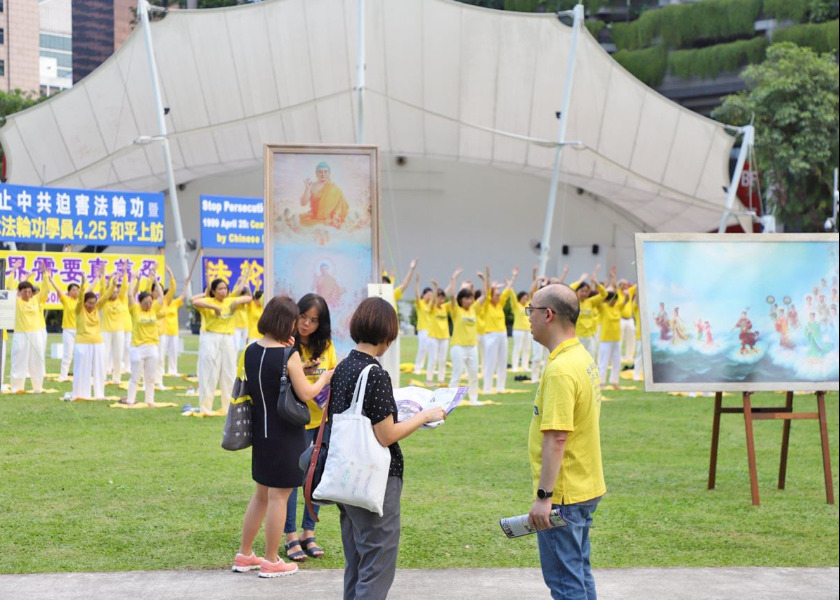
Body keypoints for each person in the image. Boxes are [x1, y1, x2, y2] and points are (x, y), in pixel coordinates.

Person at [328, 297, 445, 599]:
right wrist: (423, 416)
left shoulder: (343, 366)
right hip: (373, 478)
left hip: (345, 475)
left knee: (356, 561)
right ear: (387, 334)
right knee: (377, 562)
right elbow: (386, 435)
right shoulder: (375, 373)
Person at [232, 296, 333, 578]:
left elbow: (270, 379)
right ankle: (271, 559)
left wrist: (301, 370)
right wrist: (324, 377)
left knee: (261, 495)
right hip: (286, 435)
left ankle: (245, 554)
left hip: (261, 433)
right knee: (279, 497)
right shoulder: (289, 355)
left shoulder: (251, 351)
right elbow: (307, 394)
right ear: (285, 322)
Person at [526, 283, 605, 600]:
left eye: (531, 310)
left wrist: (544, 497)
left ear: (548, 314)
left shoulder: (561, 369)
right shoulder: (580, 356)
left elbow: (557, 437)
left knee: (565, 583)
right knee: (579, 574)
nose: (528, 317)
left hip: (564, 493)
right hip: (583, 484)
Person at [284, 293, 338, 562]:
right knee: (292, 480)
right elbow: (281, 379)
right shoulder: (288, 342)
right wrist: (302, 372)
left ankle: (309, 532)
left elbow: (333, 375)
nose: (306, 324)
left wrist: (326, 378)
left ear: (321, 323)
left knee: (316, 476)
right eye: (303, 317)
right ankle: (290, 535)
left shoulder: (326, 346)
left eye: (313, 320)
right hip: (295, 420)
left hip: (321, 420)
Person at [192, 267, 252, 415]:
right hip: (211, 338)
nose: (223, 291)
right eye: (220, 289)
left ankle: (229, 407)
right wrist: (214, 307)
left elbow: (248, 298)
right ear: (213, 291)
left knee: (229, 372)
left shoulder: (230, 300)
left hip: (228, 338)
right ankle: (205, 408)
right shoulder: (208, 301)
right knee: (209, 374)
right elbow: (194, 301)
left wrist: (235, 303)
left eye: (225, 288)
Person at [122, 267, 167, 406]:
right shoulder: (135, 309)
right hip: (137, 347)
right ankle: (130, 400)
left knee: (150, 377)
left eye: (150, 302)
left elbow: (161, 297)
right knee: (135, 376)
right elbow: (130, 295)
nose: (148, 304)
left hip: (152, 346)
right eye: (145, 302)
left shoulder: (154, 309)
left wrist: (156, 281)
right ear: (140, 302)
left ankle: (150, 400)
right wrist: (132, 279)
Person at [72, 269, 114, 401]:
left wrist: (113, 284)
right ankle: (80, 393)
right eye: (89, 303)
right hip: (82, 343)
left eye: (93, 303)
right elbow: (80, 298)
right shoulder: (79, 310)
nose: (91, 305)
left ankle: (99, 394)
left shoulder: (96, 308)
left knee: (99, 370)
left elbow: (105, 297)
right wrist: (83, 283)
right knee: (81, 370)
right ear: (84, 302)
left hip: (98, 343)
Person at [9, 263, 48, 393]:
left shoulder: (36, 300)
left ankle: (38, 387)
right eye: (24, 291)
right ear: (19, 292)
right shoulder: (17, 301)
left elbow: (45, 289)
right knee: (19, 361)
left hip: (36, 334)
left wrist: (44, 274)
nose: (27, 293)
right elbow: (9, 288)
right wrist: (14, 270)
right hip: (21, 334)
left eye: (29, 291)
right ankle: (17, 388)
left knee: (36, 361)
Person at [477, 266, 516, 394]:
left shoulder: (500, 305)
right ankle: (487, 387)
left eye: (499, 295)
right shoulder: (487, 305)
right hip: (491, 335)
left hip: (502, 335)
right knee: (490, 362)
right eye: (496, 295)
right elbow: (487, 292)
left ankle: (500, 387)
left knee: (502, 362)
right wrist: (487, 277)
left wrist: (513, 277)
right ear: (492, 296)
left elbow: (507, 290)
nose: (499, 297)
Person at [448, 269, 481, 405]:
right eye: (466, 298)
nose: (469, 300)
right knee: (457, 375)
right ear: (461, 300)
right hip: (458, 347)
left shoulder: (474, 309)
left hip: (472, 347)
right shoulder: (456, 310)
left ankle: (474, 399)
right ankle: (450, 401)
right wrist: (453, 278)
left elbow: (485, 295)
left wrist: (485, 279)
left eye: (470, 298)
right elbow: (451, 296)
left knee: (474, 375)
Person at [48, 277, 80, 382]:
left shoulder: (81, 301)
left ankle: (79, 374)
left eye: (77, 290)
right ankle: (63, 375)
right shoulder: (66, 300)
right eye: (74, 290)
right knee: (68, 354)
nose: (76, 291)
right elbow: (58, 290)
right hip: (68, 330)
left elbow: (88, 290)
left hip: (80, 331)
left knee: (79, 353)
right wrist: (51, 280)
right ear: (69, 292)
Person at [420, 278, 451, 387]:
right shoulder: (432, 307)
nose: (441, 299)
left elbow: (452, 297)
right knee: (433, 359)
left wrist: (453, 280)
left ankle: (441, 380)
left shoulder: (445, 307)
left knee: (442, 360)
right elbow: (433, 301)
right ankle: (429, 379)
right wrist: (436, 287)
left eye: (442, 297)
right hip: (433, 337)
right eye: (439, 297)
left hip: (444, 337)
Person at [299, 161, 349, 228]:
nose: (323, 174)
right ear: (316, 173)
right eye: (320, 172)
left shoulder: (334, 187)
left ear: (329, 174)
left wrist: (336, 215)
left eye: (325, 172)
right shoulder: (312, 186)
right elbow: (303, 203)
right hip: (314, 218)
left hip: (329, 219)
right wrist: (307, 189)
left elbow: (339, 206)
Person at [101, 267, 129, 386]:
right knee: (104, 355)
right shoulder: (104, 301)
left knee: (118, 355)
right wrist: (105, 277)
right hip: (106, 331)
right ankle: (102, 377)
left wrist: (125, 272)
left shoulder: (121, 300)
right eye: (113, 292)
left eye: (117, 292)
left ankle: (117, 378)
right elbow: (103, 289)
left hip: (119, 331)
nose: (116, 294)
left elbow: (125, 287)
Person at [160, 267, 189, 377]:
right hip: (164, 332)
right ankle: (161, 370)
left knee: (173, 352)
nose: (170, 297)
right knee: (162, 352)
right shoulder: (162, 304)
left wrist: (186, 284)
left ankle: (173, 370)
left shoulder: (175, 303)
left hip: (174, 332)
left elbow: (183, 295)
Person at [412, 279, 434, 375]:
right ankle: (417, 367)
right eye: (428, 294)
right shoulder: (420, 303)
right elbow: (416, 295)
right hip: (422, 329)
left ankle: (426, 366)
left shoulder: (431, 304)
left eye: (431, 295)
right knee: (422, 349)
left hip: (431, 330)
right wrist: (417, 283)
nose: (430, 296)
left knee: (430, 349)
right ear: (424, 295)